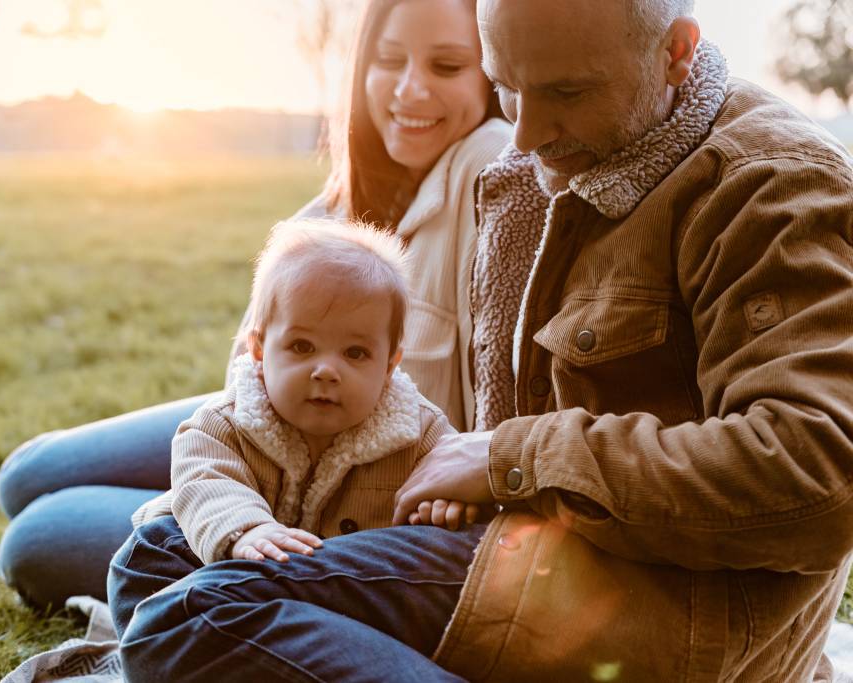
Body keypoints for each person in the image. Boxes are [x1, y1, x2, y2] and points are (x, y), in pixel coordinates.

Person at [108, 0, 853, 680]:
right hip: (522, 542)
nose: (524, 135)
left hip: (653, 599)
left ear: (676, 54)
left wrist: (508, 459)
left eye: (566, 92)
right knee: (152, 559)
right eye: (506, 86)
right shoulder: (546, 161)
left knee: (192, 613)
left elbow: (819, 478)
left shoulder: (774, 188)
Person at [0, 0, 511, 608]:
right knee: (24, 475)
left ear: (491, 76)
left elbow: (490, 407)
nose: (409, 89)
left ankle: (215, 528)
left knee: (38, 536)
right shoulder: (347, 198)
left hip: (361, 459)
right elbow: (250, 357)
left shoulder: (491, 167)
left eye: (447, 66)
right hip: (272, 422)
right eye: (389, 60)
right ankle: (216, 501)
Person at [108, 218, 485, 634]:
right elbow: (206, 481)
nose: (326, 370)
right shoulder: (223, 424)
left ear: (390, 365)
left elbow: (453, 468)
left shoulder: (416, 429)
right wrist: (247, 530)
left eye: (356, 353)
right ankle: (186, 645)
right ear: (258, 347)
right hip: (221, 565)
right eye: (302, 346)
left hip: (341, 598)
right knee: (148, 557)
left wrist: (449, 501)